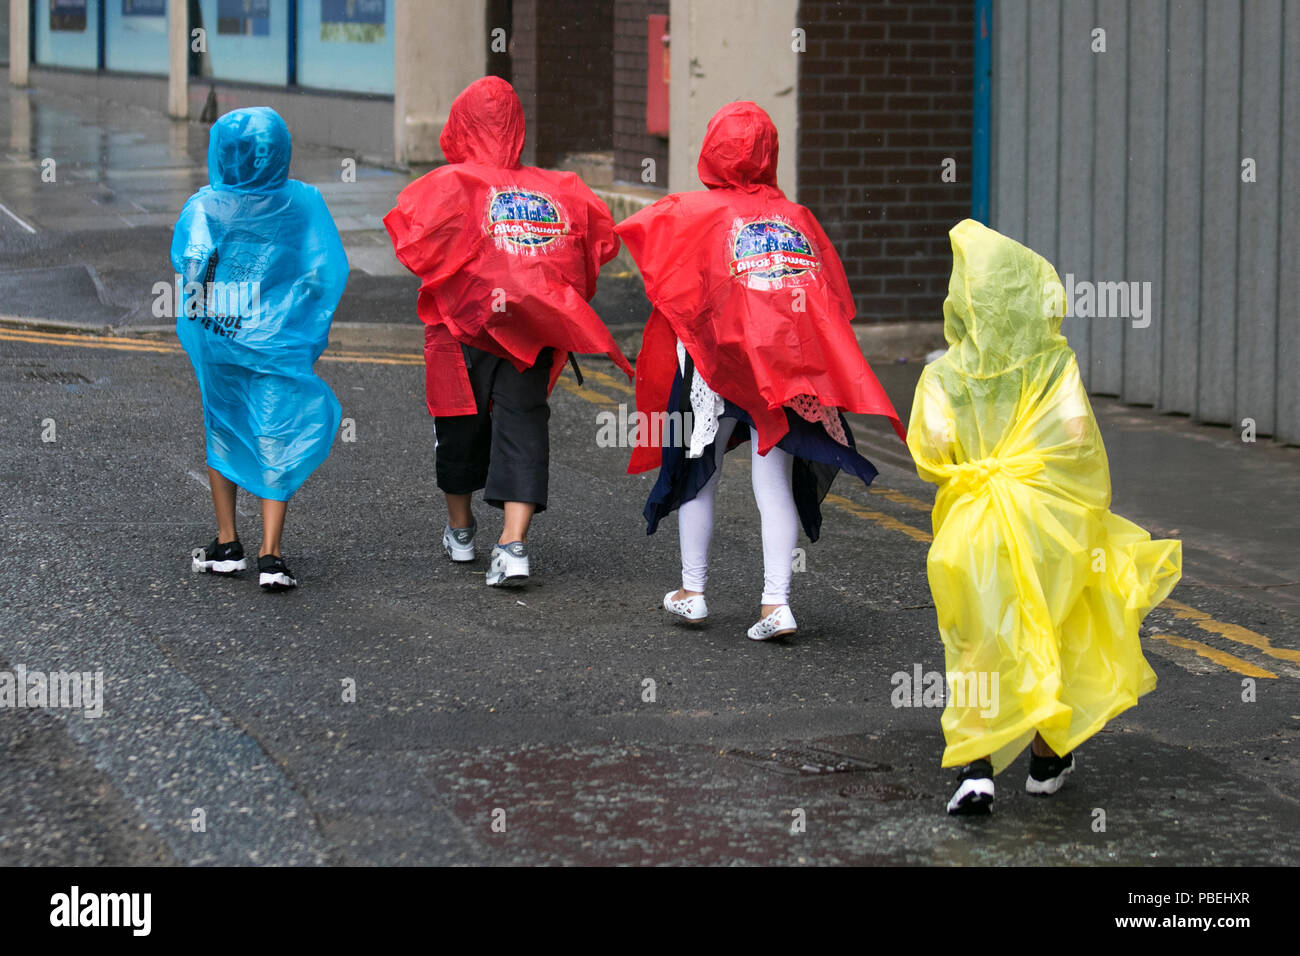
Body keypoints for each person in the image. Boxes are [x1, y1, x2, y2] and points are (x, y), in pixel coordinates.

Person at [907, 219, 1182, 815]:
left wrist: (982, 458)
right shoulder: (1054, 367)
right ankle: (1046, 756)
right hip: (1045, 526)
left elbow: (932, 453)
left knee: (978, 640)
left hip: (972, 529)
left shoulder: (942, 375)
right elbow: (1077, 436)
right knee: (1047, 629)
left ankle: (975, 767)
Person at [617, 102, 904, 641]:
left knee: (700, 470)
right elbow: (833, 299)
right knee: (773, 480)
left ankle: (693, 592)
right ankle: (777, 602)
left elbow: (649, 253)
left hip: (717, 366)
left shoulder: (691, 211)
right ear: (771, 153)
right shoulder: (797, 219)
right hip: (785, 371)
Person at [385, 77, 632, 588]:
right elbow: (594, 246)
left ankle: (461, 530)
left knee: (456, 426)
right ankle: (513, 545)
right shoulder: (559, 189)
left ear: (461, 126)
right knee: (523, 426)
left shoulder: (448, 184)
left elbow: (414, 243)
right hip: (531, 331)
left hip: (461, 331)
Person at [172, 107, 348, 591]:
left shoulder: (204, 207)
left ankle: (228, 543)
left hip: (222, 335)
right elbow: (322, 270)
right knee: (275, 432)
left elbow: (192, 271)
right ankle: (272, 554)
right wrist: (299, 318)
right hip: (278, 340)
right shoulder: (304, 202)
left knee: (224, 428)